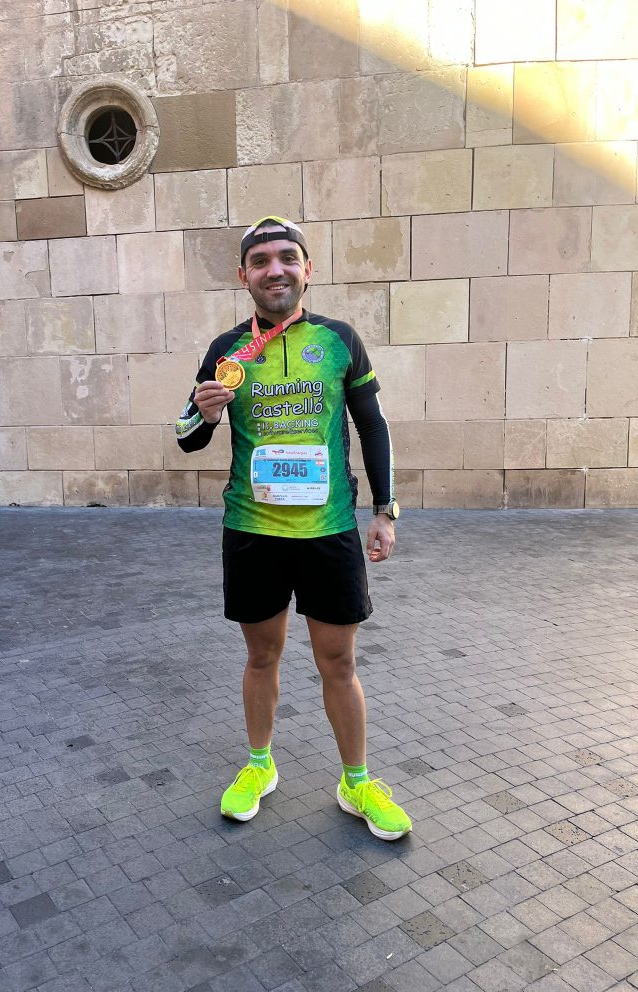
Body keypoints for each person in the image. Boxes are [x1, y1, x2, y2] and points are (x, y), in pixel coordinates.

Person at [175, 216, 411, 840]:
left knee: (339, 661)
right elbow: (186, 435)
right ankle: (259, 766)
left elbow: (373, 425)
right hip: (253, 530)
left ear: (308, 269)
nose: (274, 269)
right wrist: (202, 415)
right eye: (260, 261)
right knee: (261, 656)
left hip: (328, 530)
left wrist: (384, 510)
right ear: (243, 275)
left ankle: (356, 782)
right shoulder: (227, 349)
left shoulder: (339, 339)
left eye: (287, 257)